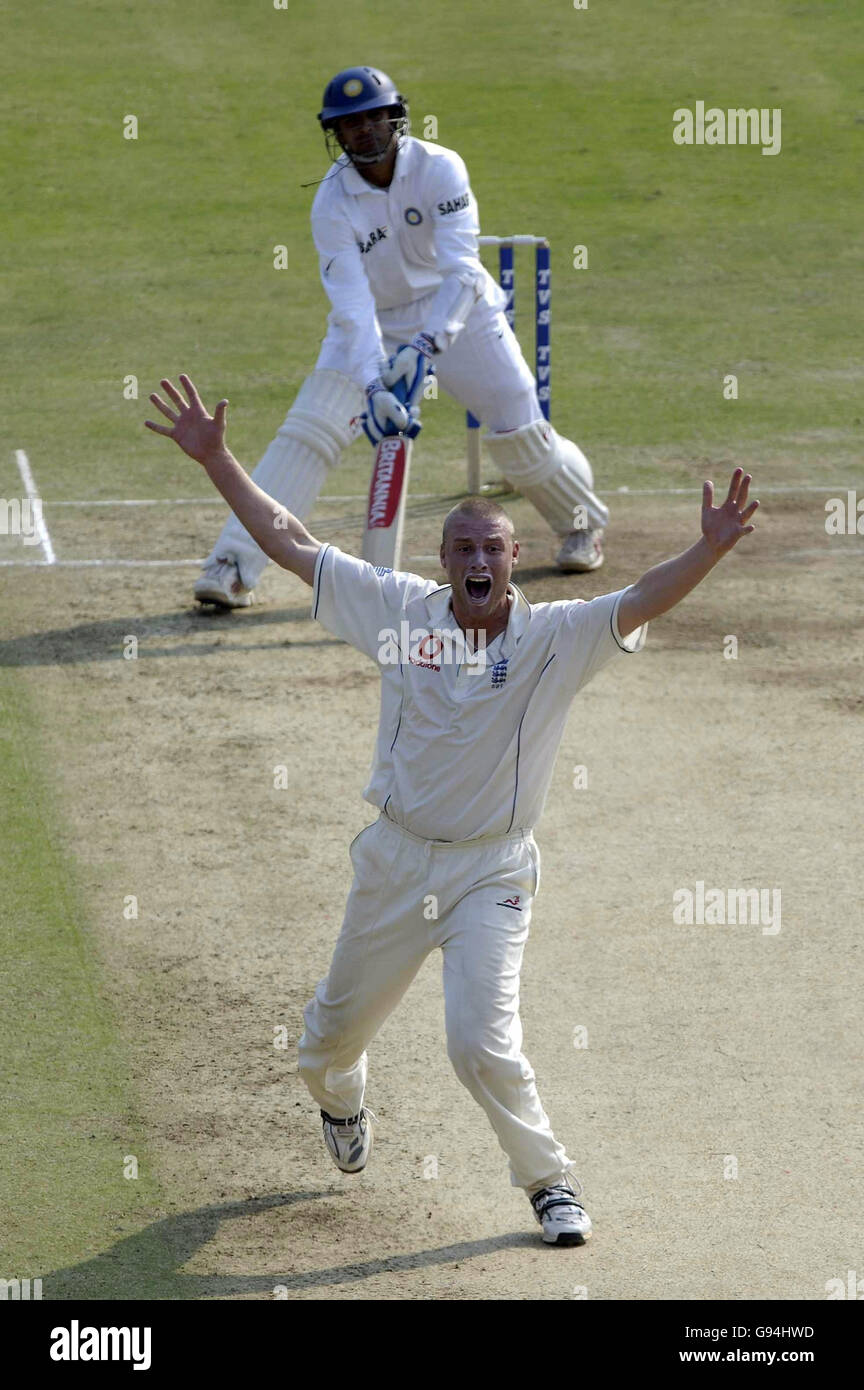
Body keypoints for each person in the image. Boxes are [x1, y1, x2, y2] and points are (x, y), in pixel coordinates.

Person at [148, 374, 758, 1245]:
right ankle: (344, 1101)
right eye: (463, 547)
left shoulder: (556, 637)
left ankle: (549, 1182)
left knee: (480, 1042)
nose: (478, 561)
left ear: (514, 559)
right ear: (443, 561)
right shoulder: (397, 613)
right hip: (395, 865)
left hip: (493, 871)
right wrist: (217, 459)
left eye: (494, 549)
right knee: (323, 1049)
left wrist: (709, 551)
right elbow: (289, 539)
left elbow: (639, 599)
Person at [193, 64, 608, 610]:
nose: (363, 130)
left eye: (374, 117)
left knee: (519, 436)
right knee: (309, 431)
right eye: (350, 124)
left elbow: (462, 270)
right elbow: (352, 305)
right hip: (376, 325)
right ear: (335, 134)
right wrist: (372, 384)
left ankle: (582, 524)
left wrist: (425, 347)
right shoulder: (332, 202)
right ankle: (233, 562)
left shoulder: (441, 168)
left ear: (396, 118)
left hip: (460, 313)